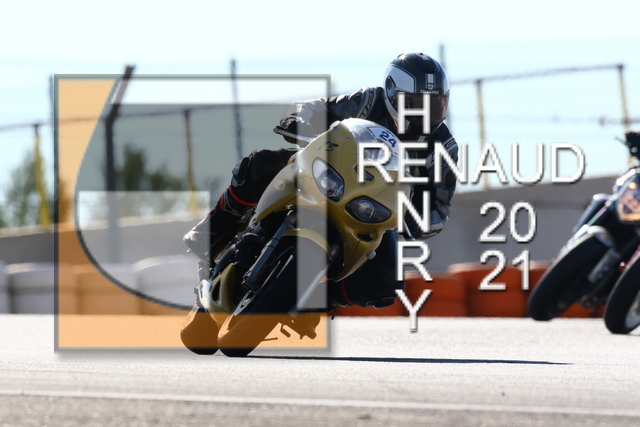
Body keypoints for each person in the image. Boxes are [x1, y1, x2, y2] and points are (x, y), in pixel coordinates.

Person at [184, 52, 459, 308]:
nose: (426, 113)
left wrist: (413, 219)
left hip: (372, 211)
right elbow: (314, 108)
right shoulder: (368, 101)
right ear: (391, 93)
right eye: (417, 104)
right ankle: (212, 232)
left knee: (385, 282)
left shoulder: (444, 147)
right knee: (261, 163)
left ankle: (312, 302)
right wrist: (298, 120)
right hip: (327, 173)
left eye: (436, 105)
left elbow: (439, 209)